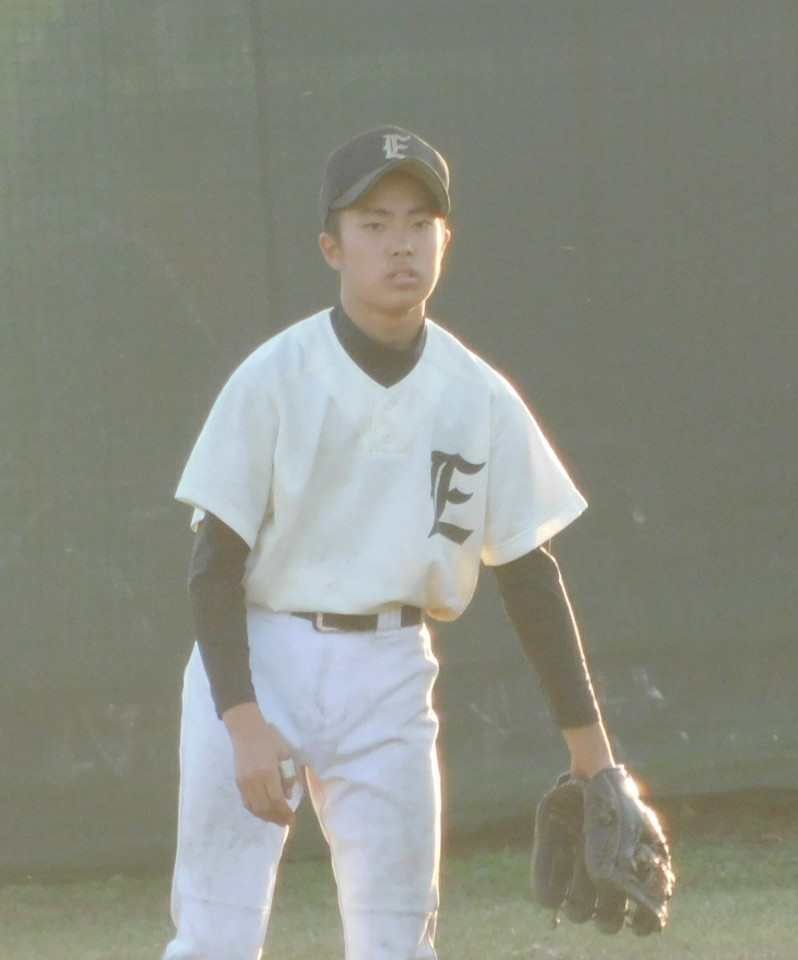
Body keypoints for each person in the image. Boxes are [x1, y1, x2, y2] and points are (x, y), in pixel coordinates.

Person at [163, 125, 669, 960]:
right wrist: (242, 722)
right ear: (332, 247)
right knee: (215, 939)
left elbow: (528, 575)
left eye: (419, 222)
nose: (400, 243)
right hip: (261, 658)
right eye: (374, 223)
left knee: (398, 945)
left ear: (445, 240)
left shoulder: (478, 396)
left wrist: (594, 759)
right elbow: (213, 568)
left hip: (391, 669)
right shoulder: (275, 378)